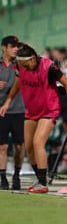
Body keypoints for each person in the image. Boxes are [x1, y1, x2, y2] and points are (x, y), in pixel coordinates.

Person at [0, 43, 67, 193]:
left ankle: (43, 183)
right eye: (22, 64)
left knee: (37, 142)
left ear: (34, 59)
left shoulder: (49, 67)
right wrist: (8, 101)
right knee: (28, 147)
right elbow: (17, 84)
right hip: (31, 110)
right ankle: (40, 179)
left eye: (27, 64)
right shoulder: (21, 66)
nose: (25, 67)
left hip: (49, 109)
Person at [0, 36, 25, 190]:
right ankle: (3, 178)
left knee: (19, 146)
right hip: (1, 111)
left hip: (19, 111)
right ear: (4, 48)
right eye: (12, 46)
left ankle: (17, 175)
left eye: (17, 46)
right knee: (2, 147)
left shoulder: (22, 65)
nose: (16, 49)